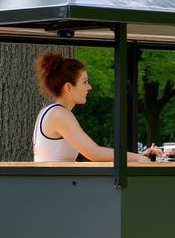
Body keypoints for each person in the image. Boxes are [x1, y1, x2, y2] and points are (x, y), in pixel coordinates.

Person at [33, 52, 161, 163]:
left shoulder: (51, 112)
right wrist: (137, 157)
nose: (89, 87)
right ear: (68, 87)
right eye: (85, 82)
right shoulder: (59, 114)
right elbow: (93, 153)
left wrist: (137, 157)